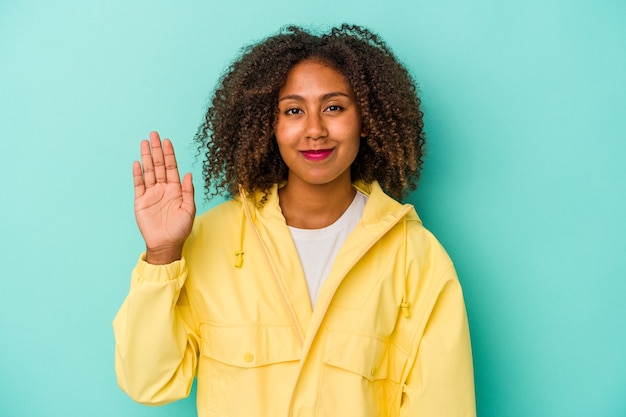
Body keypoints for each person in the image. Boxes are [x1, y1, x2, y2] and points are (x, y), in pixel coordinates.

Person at [113, 24, 475, 417]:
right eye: (294, 110)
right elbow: (149, 383)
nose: (315, 130)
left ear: (367, 119)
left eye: (334, 107)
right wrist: (162, 255)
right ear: (269, 125)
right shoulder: (210, 239)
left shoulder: (417, 258)